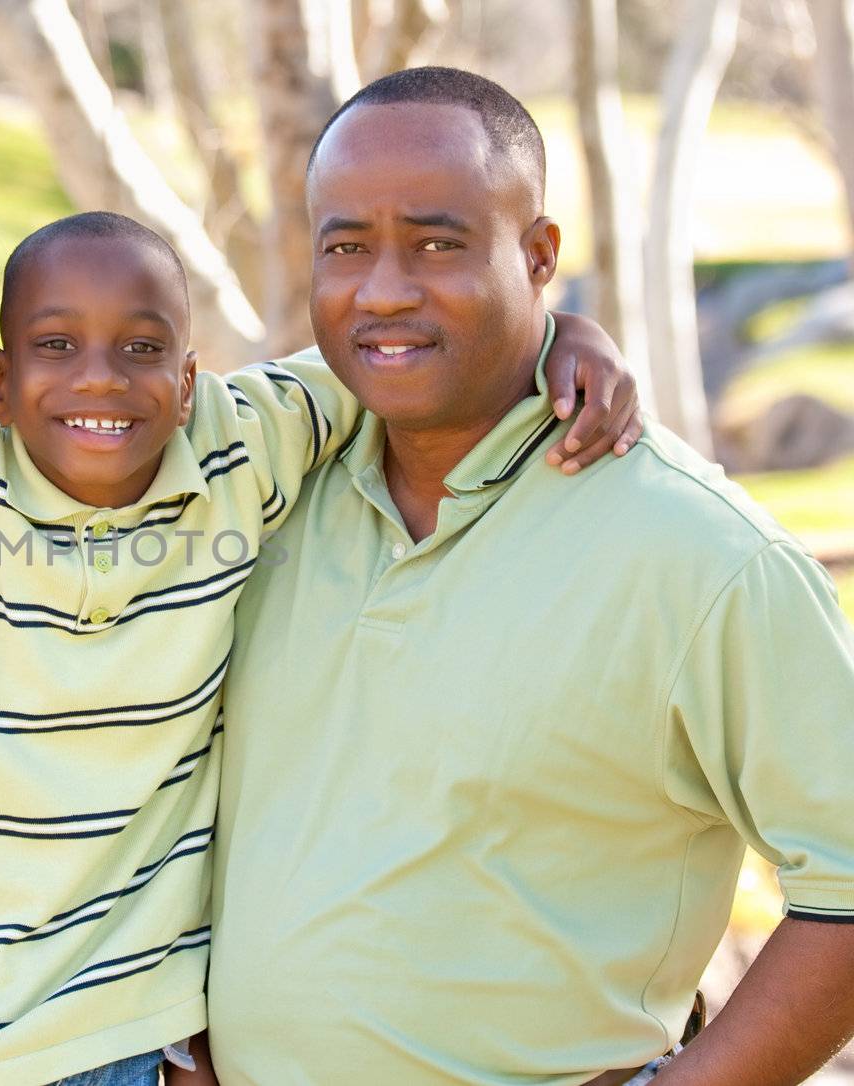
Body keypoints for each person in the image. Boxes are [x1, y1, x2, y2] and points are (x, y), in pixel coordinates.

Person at [0, 209, 640, 1081]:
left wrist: (560, 334)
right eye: (54, 347)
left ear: (187, 382)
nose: (99, 379)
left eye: (141, 350)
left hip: (122, 1035)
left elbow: (404, 346)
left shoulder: (243, 444)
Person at [207, 66, 854, 1085]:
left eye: (437, 243)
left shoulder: (701, 558)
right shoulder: (258, 494)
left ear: (539, 254)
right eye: (345, 247)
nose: (381, 289)